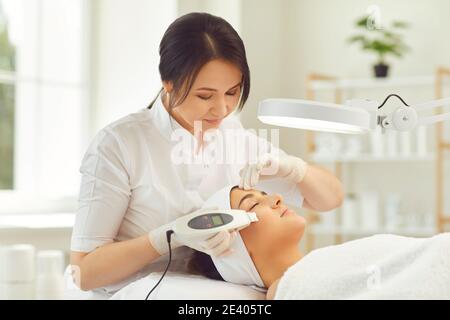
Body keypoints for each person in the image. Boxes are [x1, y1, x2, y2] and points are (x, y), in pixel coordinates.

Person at [69, 12, 344, 295]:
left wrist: (294, 168)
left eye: (232, 92)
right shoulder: (119, 144)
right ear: (169, 83)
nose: (222, 109)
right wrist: (168, 237)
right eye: (205, 95)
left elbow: (330, 198)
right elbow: (83, 273)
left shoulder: (235, 137)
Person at [189, 185, 450, 299]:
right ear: (232, 250)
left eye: (265, 194)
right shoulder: (286, 290)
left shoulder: (320, 264)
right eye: (255, 203)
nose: (277, 198)